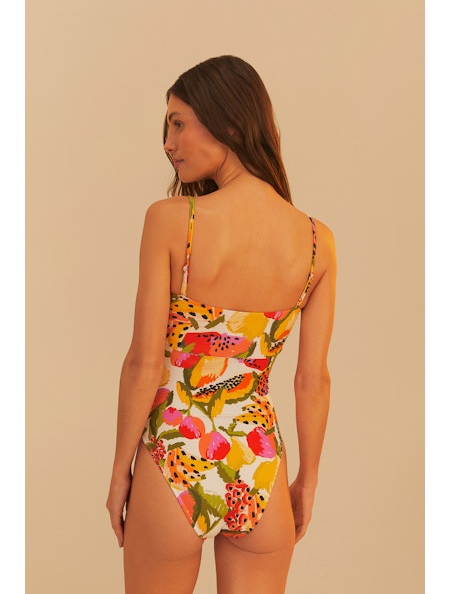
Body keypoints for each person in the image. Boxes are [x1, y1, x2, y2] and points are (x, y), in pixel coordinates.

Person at [106, 55, 336, 594]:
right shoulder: (316, 243)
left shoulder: (173, 221)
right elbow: (313, 380)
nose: (168, 143)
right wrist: (306, 479)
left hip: (173, 453)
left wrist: (120, 472)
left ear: (229, 122)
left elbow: (143, 363)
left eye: (179, 123)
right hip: (259, 462)